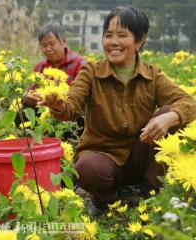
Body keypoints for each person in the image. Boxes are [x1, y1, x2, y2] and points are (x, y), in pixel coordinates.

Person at [35, 6, 196, 210]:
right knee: (86, 168)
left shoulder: (153, 75)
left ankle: (151, 191)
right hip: (104, 157)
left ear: (139, 41)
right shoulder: (90, 72)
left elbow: (190, 103)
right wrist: (58, 104)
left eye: (122, 35)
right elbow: (71, 106)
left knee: (170, 113)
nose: (113, 42)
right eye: (108, 35)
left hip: (141, 154)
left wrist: (170, 118)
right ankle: (109, 201)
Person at [17, 23, 85, 135]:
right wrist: (27, 97)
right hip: (45, 113)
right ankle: (31, 145)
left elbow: (82, 98)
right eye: (44, 45)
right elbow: (30, 91)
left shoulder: (80, 64)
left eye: (52, 44)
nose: (48, 49)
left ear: (63, 42)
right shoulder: (40, 67)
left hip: (70, 112)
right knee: (23, 113)